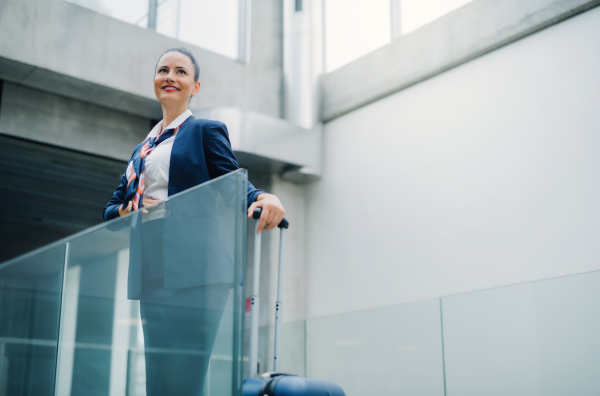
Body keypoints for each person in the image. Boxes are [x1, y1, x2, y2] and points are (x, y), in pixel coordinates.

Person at [103, 47, 285, 396]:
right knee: (158, 377)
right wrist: (133, 210)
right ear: (155, 81)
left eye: (180, 72)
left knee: (186, 375)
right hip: (152, 270)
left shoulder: (204, 131)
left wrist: (262, 197)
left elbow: (232, 182)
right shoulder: (142, 149)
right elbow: (112, 210)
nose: (170, 77)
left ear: (195, 87)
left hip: (197, 269)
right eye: (163, 70)